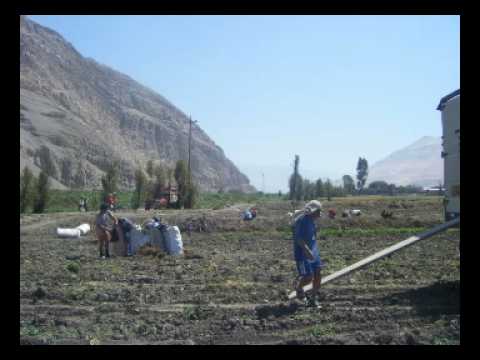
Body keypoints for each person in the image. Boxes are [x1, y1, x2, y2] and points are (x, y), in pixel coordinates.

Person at [292, 200, 324, 308]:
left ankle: (313, 299)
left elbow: (312, 235)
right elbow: (299, 238)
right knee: (308, 277)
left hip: (313, 251)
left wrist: (313, 250)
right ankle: (299, 288)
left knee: (318, 273)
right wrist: (307, 250)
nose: (320, 213)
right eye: (319, 211)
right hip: (302, 253)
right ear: (313, 211)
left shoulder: (312, 220)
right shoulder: (302, 220)